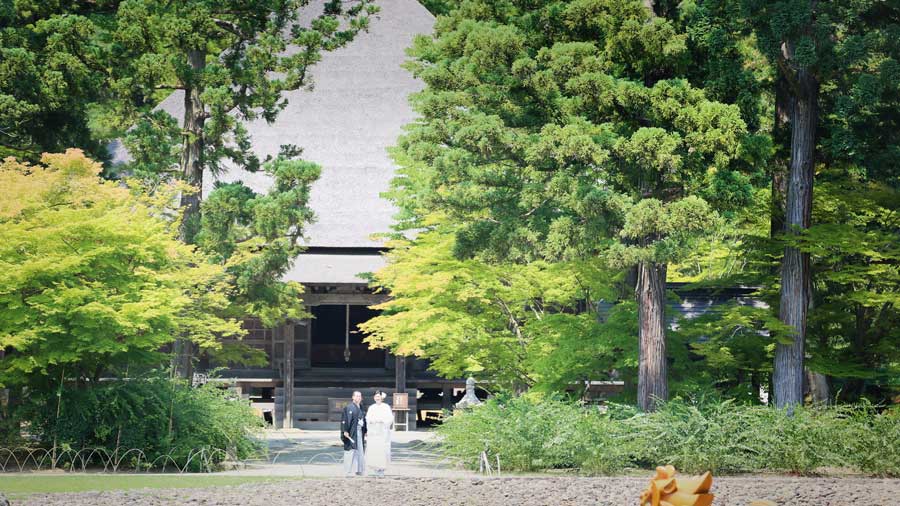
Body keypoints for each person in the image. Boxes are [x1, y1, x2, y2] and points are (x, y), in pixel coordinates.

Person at [364, 390, 393, 477]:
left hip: (383, 432)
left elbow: (390, 418)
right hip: (374, 432)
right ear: (374, 398)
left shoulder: (386, 407)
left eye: (379, 396)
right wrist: (372, 421)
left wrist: (382, 421)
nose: (377, 398)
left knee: (382, 450)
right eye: (376, 396)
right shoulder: (371, 407)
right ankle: (375, 468)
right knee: (374, 449)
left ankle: (382, 469)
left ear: (382, 398)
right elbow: (368, 418)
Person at [341, 390, 366, 477]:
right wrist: (345, 430)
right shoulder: (349, 408)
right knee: (350, 450)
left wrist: (365, 430)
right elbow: (345, 420)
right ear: (353, 397)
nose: (358, 398)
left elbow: (364, 420)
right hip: (351, 432)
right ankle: (347, 471)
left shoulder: (361, 407)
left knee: (360, 451)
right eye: (356, 396)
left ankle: (359, 470)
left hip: (359, 431)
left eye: (359, 396)